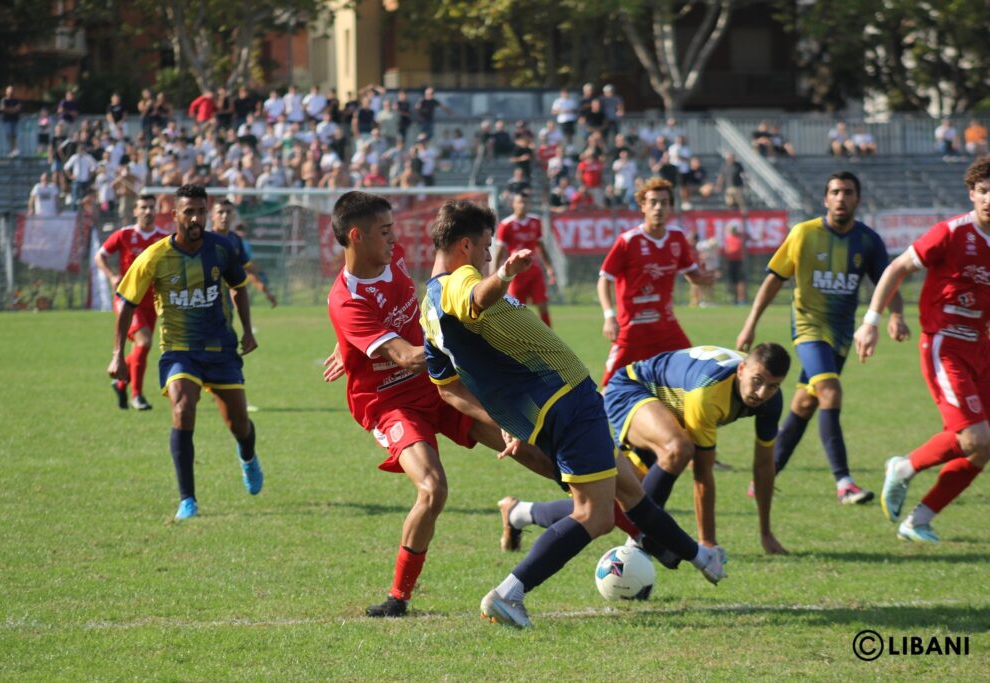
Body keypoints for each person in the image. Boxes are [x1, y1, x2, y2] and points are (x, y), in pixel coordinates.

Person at [420, 200, 727, 628]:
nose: (489, 255)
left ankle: (702, 558)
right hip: (566, 400)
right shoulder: (459, 281)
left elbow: (448, 388)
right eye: (486, 247)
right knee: (594, 515)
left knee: (629, 487)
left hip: (557, 406)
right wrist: (504, 275)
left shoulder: (428, 310)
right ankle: (509, 593)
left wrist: (503, 421)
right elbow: (475, 296)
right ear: (465, 246)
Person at [324, 191, 553, 618]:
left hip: (437, 385)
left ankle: (591, 499)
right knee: (432, 489)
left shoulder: (391, 261)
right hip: (389, 403)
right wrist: (457, 342)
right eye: (385, 232)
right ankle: (398, 598)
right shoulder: (345, 300)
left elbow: (411, 307)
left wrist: (348, 343)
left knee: (524, 439)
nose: (395, 239)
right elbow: (404, 356)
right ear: (356, 236)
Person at [503, 344, 790, 556]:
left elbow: (764, 467)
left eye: (773, 386)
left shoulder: (770, 402)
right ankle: (640, 540)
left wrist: (765, 532)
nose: (762, 393)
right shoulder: (709, 392)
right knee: (678, 449)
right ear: (742, 369)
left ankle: (519, 513)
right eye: (757, 381)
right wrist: (708, 543)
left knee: (607, 502)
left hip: (673, 411)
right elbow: (702, 473)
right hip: (634, 389)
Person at [736, 171, 909, 504]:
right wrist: (750, 323)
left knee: (805, 403)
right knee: (830, 392)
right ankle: (844, 483)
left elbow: (888, 281)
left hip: (841, 334)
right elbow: (774, 279)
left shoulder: (868, 241)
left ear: (858, 199)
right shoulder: (803, 233)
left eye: (848, 192)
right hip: (808, 328)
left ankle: (764, 476)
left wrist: (897, 315)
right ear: (825, 198)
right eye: (835, 192)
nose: (841, 198)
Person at [855, 156, 990, 543]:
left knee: (982, 447)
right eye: (983, 191)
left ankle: (919, 520)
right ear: (971, 193)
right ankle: (902, 468)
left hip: (982, 348)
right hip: (945, 345)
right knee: (975, 438)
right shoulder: (951, 232)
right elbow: (896, 268)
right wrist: (872, 321)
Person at [107, 184, 263, 520]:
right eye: (188, 212)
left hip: (220, 348)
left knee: (239, 424)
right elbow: (126, 302)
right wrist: (118, 353)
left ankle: (248, 456)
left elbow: (239, 288)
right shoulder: (154, 256)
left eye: (201, 211)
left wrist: (248, 331)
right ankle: (187, 500)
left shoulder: (221, 248)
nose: (195, 218)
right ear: (175, 214)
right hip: (179, 349)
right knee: (182, 408)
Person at [598, 178, 713, 386]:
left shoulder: (677, 237)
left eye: (664, 202)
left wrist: (705, 278)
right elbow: (604, 280)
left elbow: (692, 274)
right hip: (633, 328)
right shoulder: (629, 240)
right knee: (610, 386)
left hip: (666, 327)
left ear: (670, 207)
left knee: (691, 374)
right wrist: (609, 316)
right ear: (643, 206)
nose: (658, 207)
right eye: (653, 202)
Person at [95, 195, 171, 410]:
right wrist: (111, 276)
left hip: (151, 301)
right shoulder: (124, 235)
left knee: (141, 347)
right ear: (135, 211)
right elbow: (100, 256)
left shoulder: (164, 239)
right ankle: (137, 395)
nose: (147, 211)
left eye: (151, 207)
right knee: (144, 342)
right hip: (127, 299)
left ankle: (120, 383)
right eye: (143, 207)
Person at [491, 194, 556, 327]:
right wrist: (494, 273)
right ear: (513, 204)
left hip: (534, 271)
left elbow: (540, 247)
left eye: (526, 202)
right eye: (520, 202)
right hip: (516, 273)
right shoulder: (506, 224)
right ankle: (516, 336)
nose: (523, 205)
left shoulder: (535, 222)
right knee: (516, 309)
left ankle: (548, 336)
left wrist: (549, 268)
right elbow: (499, 251)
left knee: (543, 305)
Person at [209, 199, 278, 308]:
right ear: (212, 216)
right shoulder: (205, 240)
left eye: (228, 212)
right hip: (207, 300)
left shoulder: (236, 240)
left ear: (233, 216)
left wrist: (266, 292)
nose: (224, 216)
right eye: (220, 212)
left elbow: (248, 270)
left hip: (227, 302)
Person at [724, 224, 747, 305]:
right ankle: (734, 298)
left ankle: (741, 299)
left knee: (741, 281)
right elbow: (727, 250)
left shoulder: (740, 237)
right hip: (731, 262)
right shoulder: (728, 238)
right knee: (733, 282)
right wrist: (726, 262)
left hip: (739, 262)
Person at [0, 86, 22, 157]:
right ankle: (11, 150)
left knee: (15, 135)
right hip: (7, 120)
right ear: (6, 92)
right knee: (9, 135)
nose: (10, 92)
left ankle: (15, 150)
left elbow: (18, 108)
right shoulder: (3, 100)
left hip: (15, 120)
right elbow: (2, 108)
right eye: (9, 91)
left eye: (11, 91)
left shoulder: (16, 100)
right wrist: (13, 110)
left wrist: (8, 110)